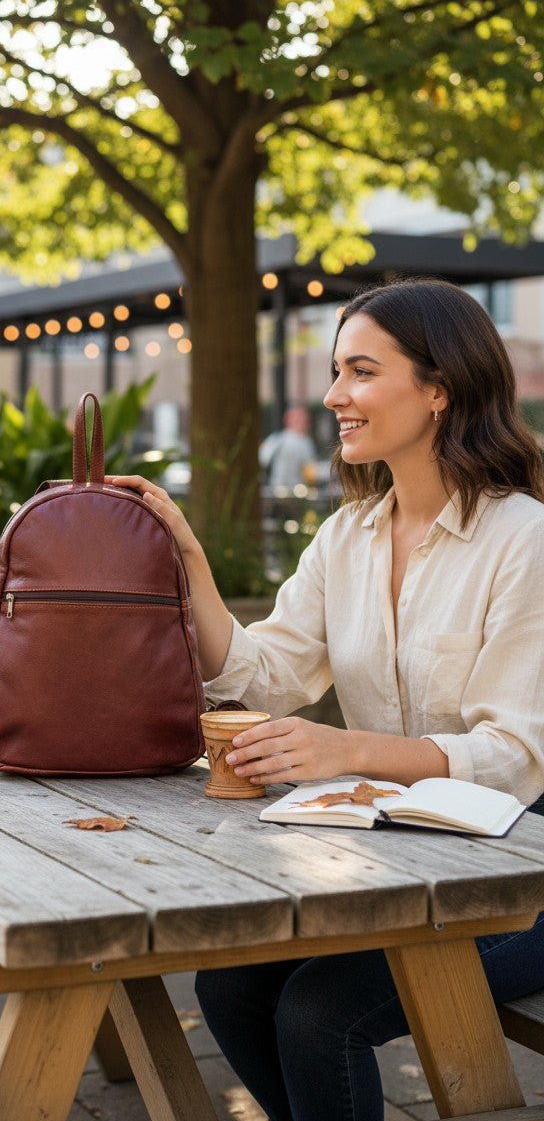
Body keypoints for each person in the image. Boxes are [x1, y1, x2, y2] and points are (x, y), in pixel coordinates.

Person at [108, 276, 544, 1121]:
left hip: (519, 871)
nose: (334, 395)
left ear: (440, 389)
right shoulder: (348, 535)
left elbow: (514, 757)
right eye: (337, 370)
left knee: (319, 1013)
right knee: (229, 987)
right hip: (399, 856)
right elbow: (264, 673)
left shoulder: (524, 540)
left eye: (361, 371)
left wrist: (345, 751)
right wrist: (187, 558)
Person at [258, 405, 318, 489]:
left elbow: (262, 460)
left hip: (273, 490)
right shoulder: (305, 442)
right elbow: (311, 473)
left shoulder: (275, 439)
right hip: (297, 492)